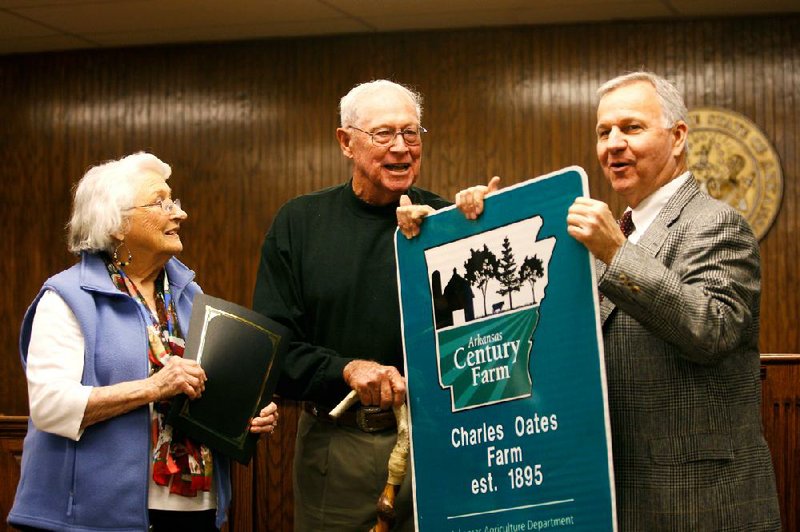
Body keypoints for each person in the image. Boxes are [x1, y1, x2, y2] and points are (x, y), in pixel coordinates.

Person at [404, 72, 781, 530]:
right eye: (604, 132)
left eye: (632, 128)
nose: (613, 144)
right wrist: (482, 227)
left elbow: (712, 329)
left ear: (678, 137)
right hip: (605, 495)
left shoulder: (715, 224)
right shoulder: (604, 235)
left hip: (697, 503)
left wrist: (616, 254)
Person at [8, 152, 279, 532]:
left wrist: (247, 415)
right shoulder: (68, 297)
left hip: (195, 511)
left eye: (175, 201)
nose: (179, 213)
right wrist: (153, 388)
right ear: (116, 224)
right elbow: (50, 406)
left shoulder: (188, 296)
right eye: (160, 202)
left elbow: (200, 396)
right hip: (94, 518)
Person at [253, 79, 450, 531]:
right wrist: (345, 370)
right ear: (346, 141)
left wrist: (479, 218)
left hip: (435, 444)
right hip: (338, 448)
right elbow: (273, 351)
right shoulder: (299, 224)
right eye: (384, 134)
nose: (401, 148)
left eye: (412, 133)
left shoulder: (442, 222)